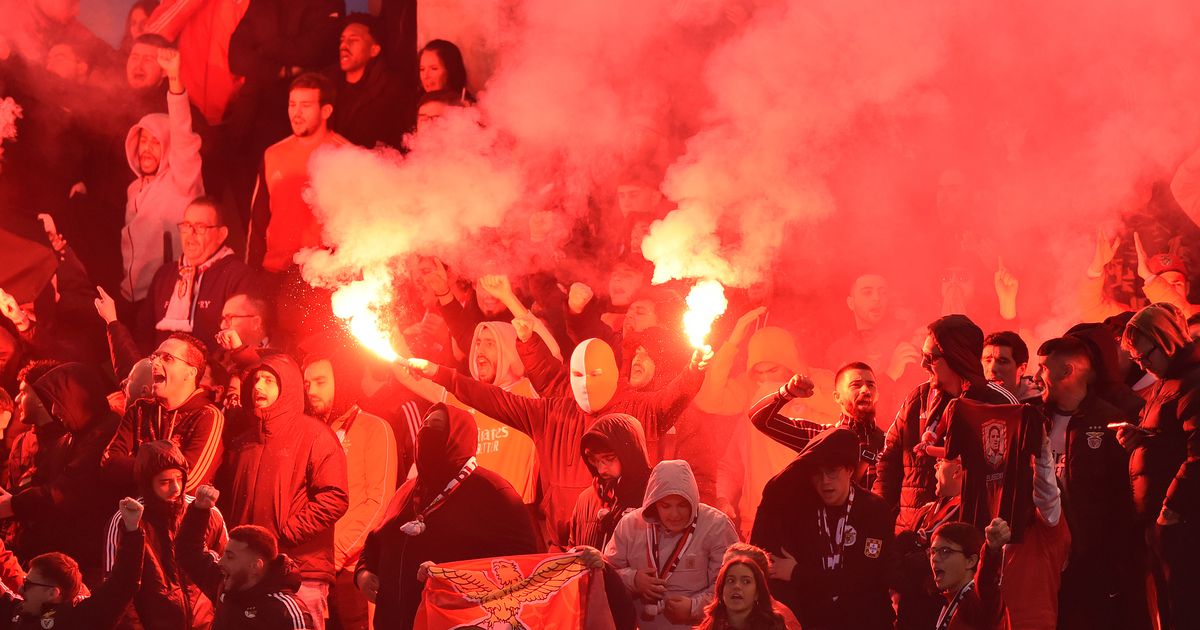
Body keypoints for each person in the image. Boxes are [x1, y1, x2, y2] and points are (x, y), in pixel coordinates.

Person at [402, 335, 708, 546]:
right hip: (559, 546)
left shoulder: (642, 409)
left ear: (613, 372)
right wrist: (439, 373)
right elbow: (493, 399)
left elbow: (674, 397)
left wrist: (695, 370)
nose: (586, 382)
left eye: (596, 373)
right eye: (578, 374)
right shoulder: (550, 413)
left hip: (627, 547)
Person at [354, 403, 538, 630]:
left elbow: (521, 565)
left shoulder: (493, 491)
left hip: (460, 623)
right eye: (424, 424)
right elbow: (375, 542)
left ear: (458, 436)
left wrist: (454, 577)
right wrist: (363, 573)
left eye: (437, 425)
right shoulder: (407, 491)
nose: (426, 430)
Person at [214, 354, 349, 630]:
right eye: (256, 380)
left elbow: (334, 496)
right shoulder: (243, 443)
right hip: (249, 574)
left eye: (269, 380)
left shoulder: (315, 435)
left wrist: (285, 533)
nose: (258, 387)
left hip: (300, 572)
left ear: (287, 387)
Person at [1034, 335, 1151, 630]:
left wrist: (1110, 556)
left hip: (1091, 561)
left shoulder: (1109, 421)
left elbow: (1123, 497)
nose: (1036, 377)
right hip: (1042, 553)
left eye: (1043, 368)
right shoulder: (1032, 417)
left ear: (1067, 371)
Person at [874, 314, 1017, 532]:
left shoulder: (998, 403)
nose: (923, 363)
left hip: (970, 541)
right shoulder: (918, 398)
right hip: (911, 535)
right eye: (923, 355)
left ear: (957, 357)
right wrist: (879, 521)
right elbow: (888, 463)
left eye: (931, 357)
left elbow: (1010, 477)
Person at [751, 427, 896, 630]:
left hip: (866, 621)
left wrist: (797, 572)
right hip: (817, 622)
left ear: (849, 470)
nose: (825, 481)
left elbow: (864, 577)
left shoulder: (874, 510)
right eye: (817, 474)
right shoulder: (803, 511)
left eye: (832, 472)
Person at [302, 350, 398, 630]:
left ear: (341, 381)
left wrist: (335, 552)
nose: (311, 391)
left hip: (352, 568)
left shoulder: (375, 428)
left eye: (320, 382)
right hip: (310, 568)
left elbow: (378, 503)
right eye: (307, 384)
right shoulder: (309, 432)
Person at [0, 361, 122, 582]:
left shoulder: (103, 434)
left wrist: (13, 505)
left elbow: (64, 490)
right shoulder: (74, 437)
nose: (55, 411)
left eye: (56, 403)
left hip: (84, 562)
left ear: (73, 398)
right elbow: (41, 482)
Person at [1118, 303, 1200, 629]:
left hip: (1182, 523)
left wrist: (1172, 507)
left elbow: (1197, 453)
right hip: (1161, 520)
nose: (1143, 365)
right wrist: (1141, 438)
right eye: (1136, 360)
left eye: (1146, 356)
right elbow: (1170, 438)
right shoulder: (1166, 381)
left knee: (1184, 607)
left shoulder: (1193, 382)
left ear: (1164, 339)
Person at [103, 440, 227, 630]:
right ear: (147, 482)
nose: (176, 488)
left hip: (206, 624)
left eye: (179, 478)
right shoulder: (127, 518)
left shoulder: (206, 511)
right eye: (165, 482)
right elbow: (117, 590)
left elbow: (227, 574)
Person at [121, 46, 205, 314]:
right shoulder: (134, 189)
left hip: (170, 296)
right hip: (132, 296)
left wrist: (175, 82)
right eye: (143, 140)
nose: (147, 148)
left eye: (156, 142)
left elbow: (182, 135)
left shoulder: (182, 179)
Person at [604, 460, 738, 629]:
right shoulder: (630, 525)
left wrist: (693, 607)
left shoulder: (717, 526)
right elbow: (607, 574)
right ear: (653, 503)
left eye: (682, 505)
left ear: (693, 499)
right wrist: (634, 580)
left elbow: (733, 586)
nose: (674, 514)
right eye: (666, 506)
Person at [248, 73, 349, 275]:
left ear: (326, 110)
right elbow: (258, 222)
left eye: (306, 105)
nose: (297, 112)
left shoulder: (346, 156)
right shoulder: (272, 154)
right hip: (274, 270)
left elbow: (356, 225)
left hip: (322, 275)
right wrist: (251, 273)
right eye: (292, 104)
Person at [178, 485, 316, 629]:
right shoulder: (224, 584)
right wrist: (199, 511)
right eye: (224, 554)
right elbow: (189, 552)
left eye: (230, 557)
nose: (221, 562)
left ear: (256, 566)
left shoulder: (287, 612)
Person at [102, 333, 225, 495]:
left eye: (167, 358)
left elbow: (187, 482)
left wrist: (137, 468)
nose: (155, 363)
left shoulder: (208, 416)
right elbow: (109, 461)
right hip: (135, 515)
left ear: (190, 373)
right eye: (155, 356)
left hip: (184, 519)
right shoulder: (140, 409)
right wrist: (166, 472)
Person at [0, 497, 146, 630]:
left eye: (27, 584)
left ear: (53, 593)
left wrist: (132, 531)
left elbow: (123, 585)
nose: (20, 589)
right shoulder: (18, 611)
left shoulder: (81, 619)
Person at [141, 197, 258, 348]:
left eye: (200, 227)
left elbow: (241, 340)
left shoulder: (238, 275)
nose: (191, 234)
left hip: (210, 370)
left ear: (221, 234)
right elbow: (143, 333)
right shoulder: (164, 274)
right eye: (186, 226)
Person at [749, 362, 886, 489]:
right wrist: (787, 393)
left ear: (878, 395)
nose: (865, 390)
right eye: (856, 385)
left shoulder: (892, 443)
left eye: (871, 385)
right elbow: (759, 419)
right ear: (837, 397)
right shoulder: (821, 437)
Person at [895, 457, 964, 630]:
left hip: (939, 612)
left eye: (941, 461)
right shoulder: (926, 510)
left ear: (957, 470)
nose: (935, 465)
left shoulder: (968, 513)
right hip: (910, 611)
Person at [569, 413, 651, 549]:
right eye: (594, 460)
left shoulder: (652, 496)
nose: (601, 469)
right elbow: (572, 550)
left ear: (630, 452)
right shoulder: (585, 499)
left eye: (609, 458)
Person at [330, 14, 411, 148]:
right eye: (342, 40)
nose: (343, 45)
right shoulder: (326, 84)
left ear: (374, 50)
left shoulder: (392, 89)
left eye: (353, 40)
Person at [927, 519, 1010, 630]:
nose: (935, 558)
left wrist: (991, 550)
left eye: (945, 551)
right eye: (933, 552)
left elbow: (986, 581)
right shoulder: (948, 602)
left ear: (970, 561)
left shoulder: (980, 602)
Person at [694, 544, 791, 630]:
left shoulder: (779, 622)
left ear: (758, 590)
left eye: (746, 581)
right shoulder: (710, 624)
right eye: (730, 580)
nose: (737, 586)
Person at [981, 331, 1041, 402]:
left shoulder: (1040, 409)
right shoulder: (971, 400)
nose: (992, 368)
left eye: (1002, 362)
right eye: (988, 360)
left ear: (1022, 369)